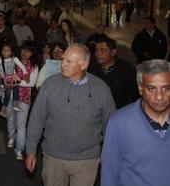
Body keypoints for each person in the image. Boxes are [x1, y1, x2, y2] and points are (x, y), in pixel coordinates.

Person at [25, 44, 115, 186]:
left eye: (68, 61)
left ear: (83, 64)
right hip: (54, 158)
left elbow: (111, 127)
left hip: (87, 160)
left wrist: (110, 157)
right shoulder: (50, 84)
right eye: (63, 60)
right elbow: (36, 119)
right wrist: (30, 150)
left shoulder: (101, 89)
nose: (63, 64)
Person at [101, 59, 170, 186]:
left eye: (166, 88)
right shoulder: (119, 122)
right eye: (151, 89)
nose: (159, 96)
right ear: (140, 89)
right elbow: (109, 173)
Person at [6, 45, 38, 160]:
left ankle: (19, 149)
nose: (25, 52)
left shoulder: (34, 67)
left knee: (21, 125)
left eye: (28, 51)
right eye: (24, 50)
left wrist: (18, 80)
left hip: (24, 98)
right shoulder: (13, 62)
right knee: (10, 119)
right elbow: (8, 78)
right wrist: (22, 79)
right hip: (10, 95)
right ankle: (11, 136)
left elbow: (32, 83)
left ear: (32, 54)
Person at [88, 36, 139, 108]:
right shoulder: (91, 68)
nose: (98, 54)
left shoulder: (127, 69)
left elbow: (135, 94)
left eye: (103, 50)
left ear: (113, 52)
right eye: (96, 51)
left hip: (119, 112)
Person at [0, 43, 27, 117]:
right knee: (8, 91)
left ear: (11, 52)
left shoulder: (14, 59)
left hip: (10, 78)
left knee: (16, 86)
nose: (5, 52)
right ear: (1, 51)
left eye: (7, 51)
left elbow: (22, 66)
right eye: (4, 50)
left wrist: (25, 73)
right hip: (2, 78)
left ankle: (15, 104)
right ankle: (2, 110)